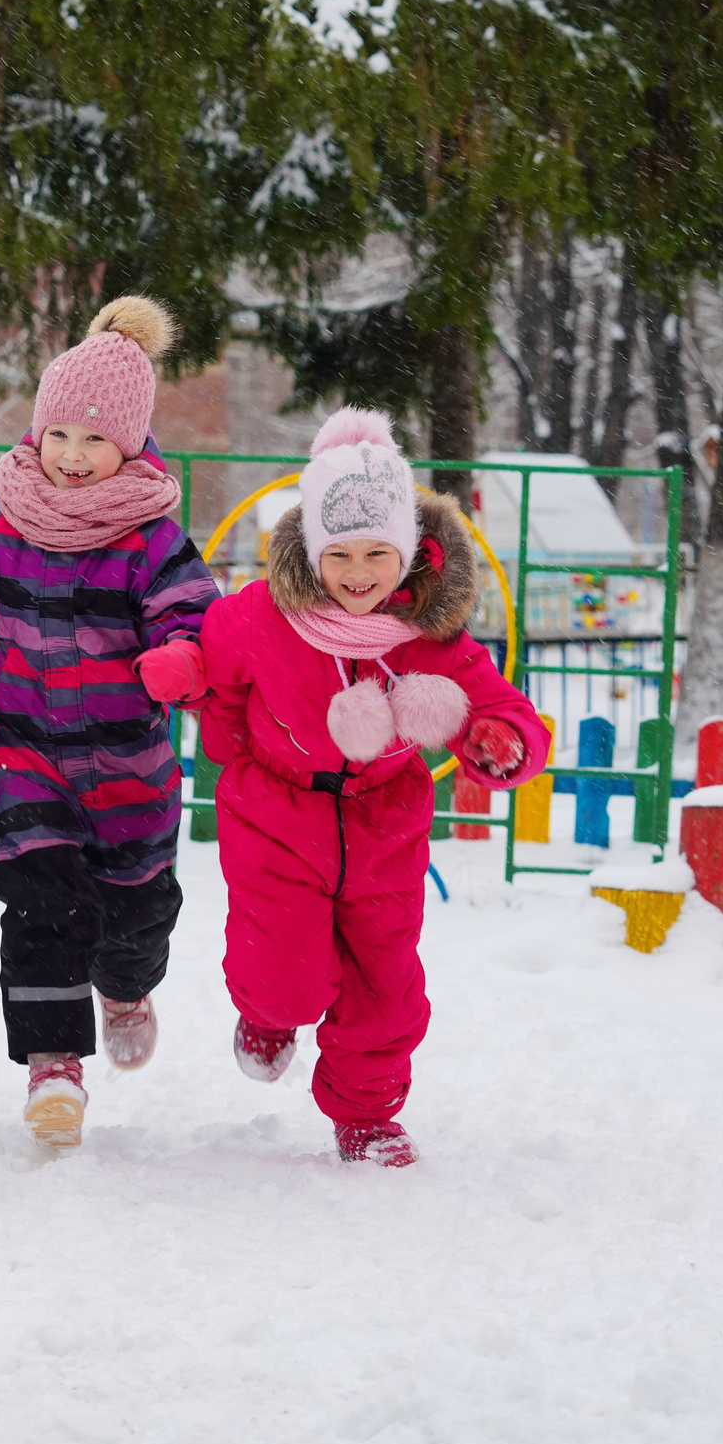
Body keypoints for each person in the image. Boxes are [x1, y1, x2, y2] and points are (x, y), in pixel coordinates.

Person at [199, 407, 548, 1166]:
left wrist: (501, 741)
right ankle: (269, 1013)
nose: (359, 573)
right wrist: (208, 713)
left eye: (377, 554)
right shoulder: (262, 616)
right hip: (276, 813)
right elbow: (209, 669)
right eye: (341, 554)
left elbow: (496, 704)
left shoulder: (431, 634)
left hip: (384, 823)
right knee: (281, 967)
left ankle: (365, 1115)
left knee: (385, 982)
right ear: (312, 552)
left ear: (411, 552)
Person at [0, 296, 220, 1149]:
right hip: (24, 756)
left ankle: (126, 986)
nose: (73, 455)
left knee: (134, 917)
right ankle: (53, 1063)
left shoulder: (149, 536)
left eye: (95, 439)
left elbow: (191, 618)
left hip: (128, 767)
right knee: (39, 904)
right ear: (37, 430)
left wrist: (180, 658)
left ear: (129, 444)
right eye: (59, 434)